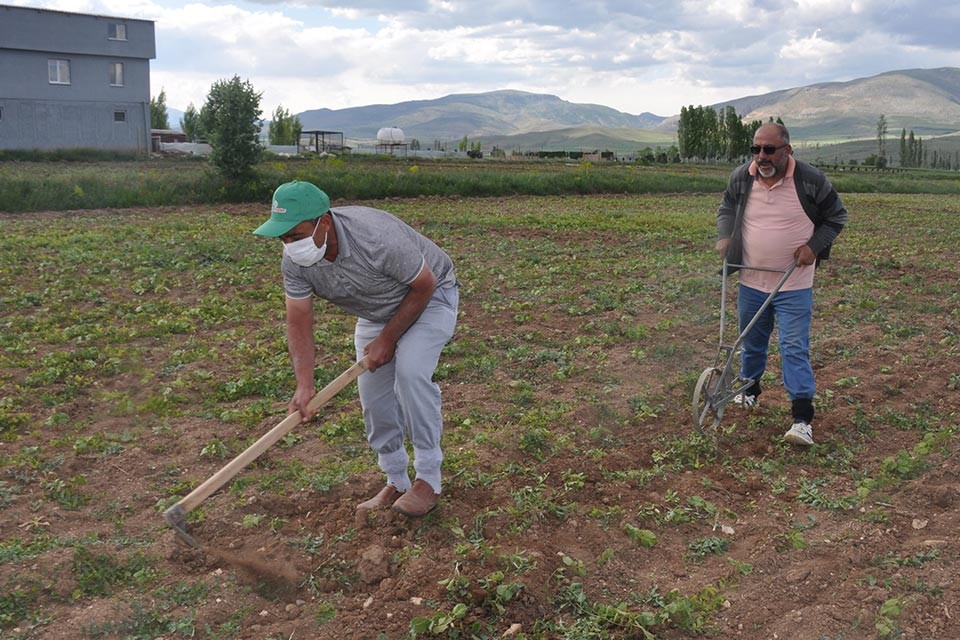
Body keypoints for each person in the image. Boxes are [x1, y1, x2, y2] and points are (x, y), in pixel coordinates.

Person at [254, 180, 459, 516]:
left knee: (410, 373)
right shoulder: (294, 262)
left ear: (324, 221)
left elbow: (424, 285)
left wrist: (389, 339)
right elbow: (298, 321)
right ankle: (396, 481)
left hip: (430, 297)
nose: (289, 245)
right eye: (283, 237)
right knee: (373, 396)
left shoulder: (376, 237)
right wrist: (304, 385)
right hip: (376, 312)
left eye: (295, 235)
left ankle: (428, 480)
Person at [715, 123, 847, 446]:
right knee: (751, 341)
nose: (762, 156)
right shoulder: (742, 177)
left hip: (794, 283)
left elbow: (836, 216)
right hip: (751, 277)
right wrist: (724, 236)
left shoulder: (809, 180)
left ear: (788, 150)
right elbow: (727, 207)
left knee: (792, 346)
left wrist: (813, 248)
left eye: (769, 149)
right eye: (756, 149)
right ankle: (750, 391)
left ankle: (802, 419)